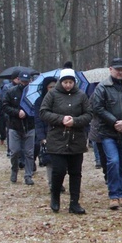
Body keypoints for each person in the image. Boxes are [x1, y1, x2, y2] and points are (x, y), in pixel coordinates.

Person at [40, 68, 92, 214]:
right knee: (59, 170)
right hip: (57, 139)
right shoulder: (52, 95)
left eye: (70, 82)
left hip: (76, 139)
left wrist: (75, 121)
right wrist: (60, 119)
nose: (68, 85)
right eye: (65, 82)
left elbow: (88, 114)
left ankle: (74, 202)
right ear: (61, 82)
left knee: (76, 172)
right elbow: (43, 112)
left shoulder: (81, 95)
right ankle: (55, 197)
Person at [92, 57, 122, 210]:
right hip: (108, 132)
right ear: (110, 69)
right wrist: (114, 122)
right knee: (113, 161)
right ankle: (113, 195)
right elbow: (97, 108)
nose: (120, 72)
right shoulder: (102, 87)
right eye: (117, 69)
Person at [2, 71, 36, 185]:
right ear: (18, 80)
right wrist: (17, 113)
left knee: (29, 153)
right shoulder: (11, 92)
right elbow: (5, 106)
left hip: (30, 126)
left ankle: (28, 175)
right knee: (15, 151)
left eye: (27, 81)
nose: (25, 83)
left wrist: (28, 113)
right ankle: (14, 169)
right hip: (14, 126)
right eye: (23, 81)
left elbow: (38, 107)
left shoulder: (34, 93)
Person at [34, 77, 57, 190]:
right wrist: (41, 137)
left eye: (55, 86)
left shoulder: (61, 99)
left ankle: (58, 181)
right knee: (49, 161)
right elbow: (38, 121)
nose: (53, 89)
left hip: (60, 133)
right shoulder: (39, 101)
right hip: (46, 134)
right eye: (50, 87)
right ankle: (52, 184)